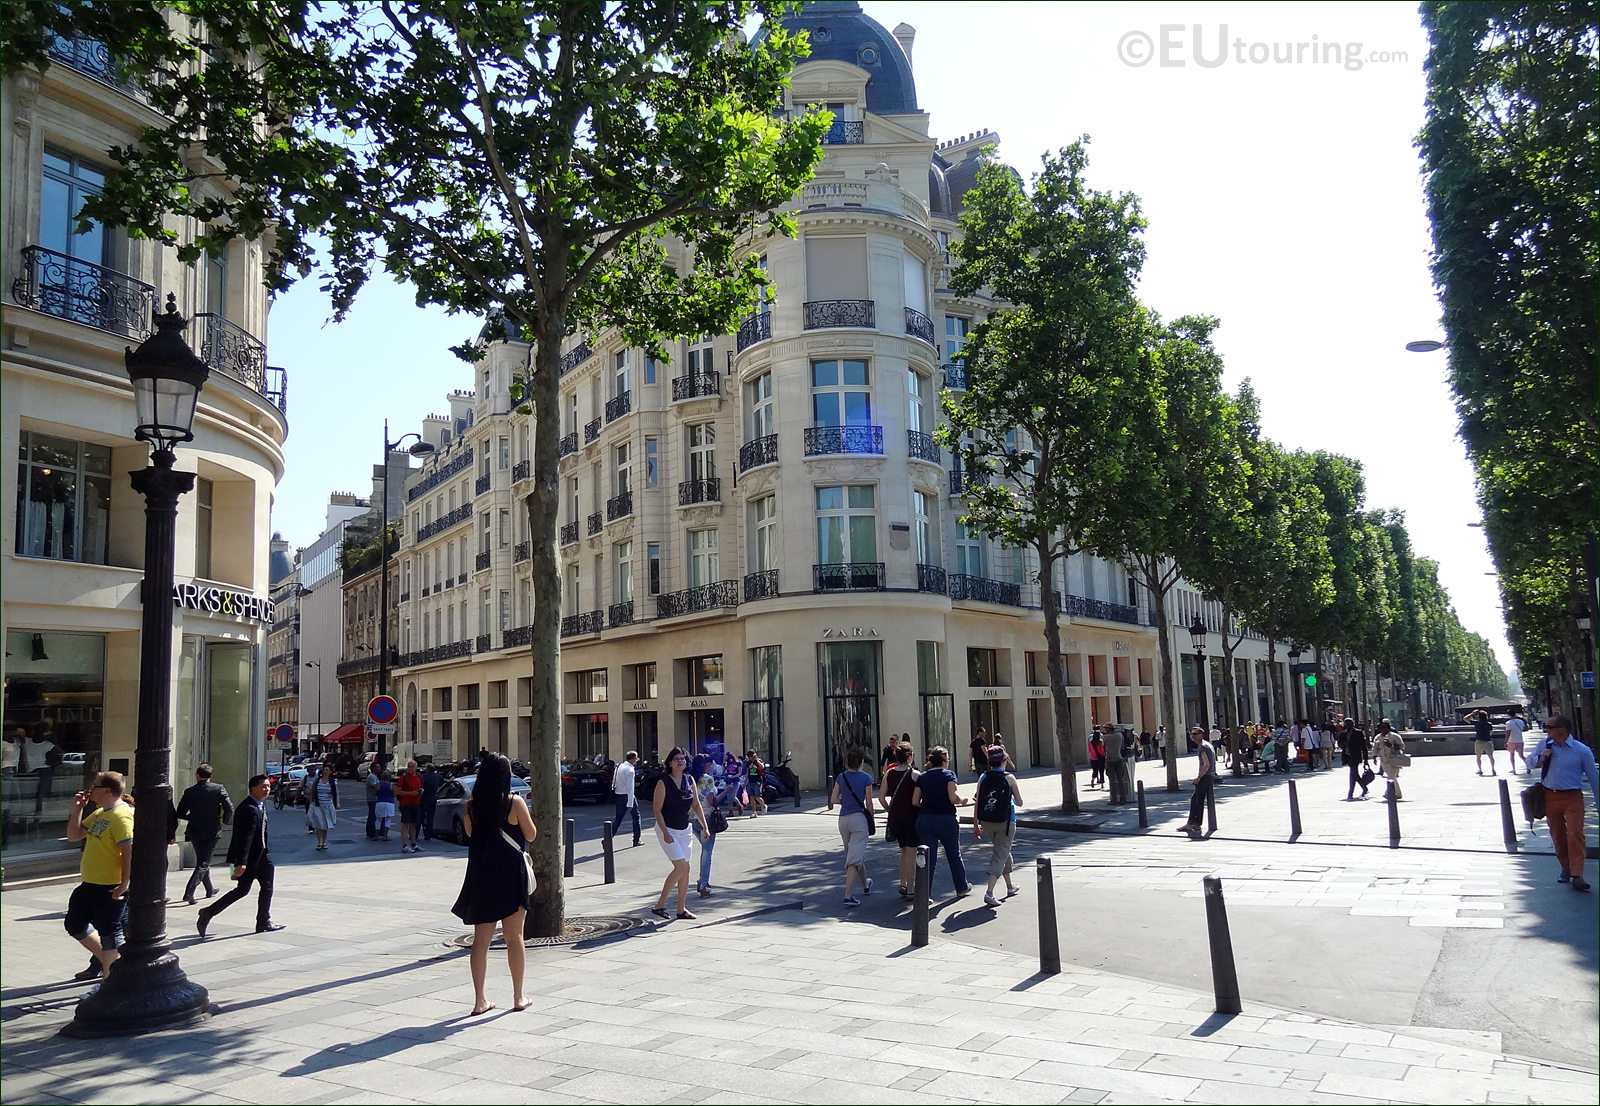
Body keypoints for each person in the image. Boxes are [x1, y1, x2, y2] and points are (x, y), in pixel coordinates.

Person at [449, 752, 536, 1014]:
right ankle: (518, 996)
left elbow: (471, 835)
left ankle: (479, 1000)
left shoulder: (471, 807)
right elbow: (531, 834)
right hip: (510, 874)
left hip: (483, 875)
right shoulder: (515, 803)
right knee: (514, 937)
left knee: (481, 941)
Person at [63, 771, 132, 980]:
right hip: (90, 883)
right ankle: (110, 966)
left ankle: (112, 981)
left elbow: (129, 850)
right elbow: (73, 836)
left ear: (108, 790)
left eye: (96, 786)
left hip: (108, 886)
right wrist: (78, 810)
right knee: (74, 923)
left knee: (110, 933)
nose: (91, 789)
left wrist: (124, 883)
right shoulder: (101, 812)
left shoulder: (121, 815)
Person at [198, 774, 285, 937]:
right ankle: (208, 913)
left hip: (262, 857)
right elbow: (245, 838)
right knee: (242, 891)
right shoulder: (249, 808)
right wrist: (241, 863)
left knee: (264, 888)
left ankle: (263, 921)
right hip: (251, 860)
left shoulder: (259, 805)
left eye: (268, 786)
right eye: (263, 786)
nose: (267, 789)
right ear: (253, 788)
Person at [1526, 716, 1599, 892]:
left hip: (1573, 797)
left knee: (1575, 833)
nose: (1546, 730)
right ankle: (1566, 867)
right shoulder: (1545, 745)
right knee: (1557, 835)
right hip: (1550, 796)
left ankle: (1577, 874)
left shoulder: (1582, 751)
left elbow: (1594, 778)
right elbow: (1529, 763)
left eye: (1549, 727)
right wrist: (1541, 758)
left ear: (1562, 729)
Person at [650, 747, 709, 921]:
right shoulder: (663, 782)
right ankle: (659, 905)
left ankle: (681, 909)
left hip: (685, 830)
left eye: (682, 758)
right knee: (681, 867)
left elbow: (696, 805)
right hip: (668, 829)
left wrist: (705, 826)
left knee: (686, 868)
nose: (680, 761)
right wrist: (665, 832)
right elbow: (656, 809)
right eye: (676, 759)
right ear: (670, 763)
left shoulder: (689, 780)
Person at [911, 746, 970, 897]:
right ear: (944, 761)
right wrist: (962, 800)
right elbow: (952, 797)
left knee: (927, 858)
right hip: (946, 819)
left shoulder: (923, 777)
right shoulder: (948, 775)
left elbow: (915, 801)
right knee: (953, 854)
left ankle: (924, 894)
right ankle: (961, 887)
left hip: (925, 819)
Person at [973, 745, 1023, 907]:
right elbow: (1020, 802)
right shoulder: (1009, 778)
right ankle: (989, 892)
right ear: (1004, 760)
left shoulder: (983, 777)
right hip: (1006, 822)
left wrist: (975, 824)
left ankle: (1010, 886)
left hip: (986, 821)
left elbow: (978, 801)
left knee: (1002, 851)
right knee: (1000, 854)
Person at [175, 763, 233, 902]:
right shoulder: (218, 789)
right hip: (212, 829)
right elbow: (230, 808)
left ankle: (209, 889)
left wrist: (193, 817)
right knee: (203, 862)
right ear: (209, 776)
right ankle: (189, 892)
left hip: (195, 830)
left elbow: (180, 812)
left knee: (202, 859)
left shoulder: (190, 791)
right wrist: (223, 820)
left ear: (197, 776)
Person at [829, 748, 876, 907]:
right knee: (853, 859)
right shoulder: (866, 778)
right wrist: (871, 819)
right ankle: (848, 895)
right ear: (861, 761)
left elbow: (834, 799)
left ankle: (865, 884)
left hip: (843, 819)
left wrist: (845, 801)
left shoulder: (841, 777)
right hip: (858, 819)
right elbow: (869, 802)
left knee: (854, 854)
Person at [879, 744, 920, 898]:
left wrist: (889, 810)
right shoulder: (915, 774)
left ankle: (902, 882)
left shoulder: (889, 773)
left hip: (895, 818)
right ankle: (911, 888)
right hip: (911, 817)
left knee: (903, 851)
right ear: (910, 756)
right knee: (911, 852)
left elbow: (881, 797)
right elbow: (918, 798)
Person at [1176, 727, 1216, 835]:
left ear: (1201, 734)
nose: (1193, 736)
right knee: (1196, 799)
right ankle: (1193, 823)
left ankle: (1194, 824)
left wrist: (1199, 777)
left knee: (1197, 800)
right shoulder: (1208, 745)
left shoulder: (1202, 747)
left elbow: (1206, 764)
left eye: (1195, 734)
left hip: (1205, 776)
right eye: (1192, 734)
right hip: (1210, 775)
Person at [693, 772, 719, 897]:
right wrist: (725, 792)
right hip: (706, 818)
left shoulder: (690, 778)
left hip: (691, 818)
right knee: (707, 851)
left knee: (704, 849)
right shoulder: (707, 779)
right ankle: (704, 884)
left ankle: (701, 881)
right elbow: (711, 801)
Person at [305, 762, 339, 851]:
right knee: (318, 824)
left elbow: (336, 793)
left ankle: (324, 842)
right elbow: (312, 791)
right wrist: (311, 802)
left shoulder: (332, 782)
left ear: (330, 771)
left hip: (328, 805)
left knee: (325, 825)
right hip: (317, 805)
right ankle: (319, 842)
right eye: (324, 770)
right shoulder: (317, 781)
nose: (325, 772)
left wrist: (337, 803)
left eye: (327, 770)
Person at [1372, 719, 1408, 800]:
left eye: (1384, 728)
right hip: (1384, 760)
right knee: (1391, 777)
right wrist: (1374, 756)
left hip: (1394, 759)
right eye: (1381, 728)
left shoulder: (1395, 736)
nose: (1383, 730)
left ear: (1388, 728)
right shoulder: (1377, 737)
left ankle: (1390, 793)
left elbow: (1402, 746)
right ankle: (1395, 793)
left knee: (1391, 777)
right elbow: (1375, 748)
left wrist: (1391, 745)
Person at [612, 751, 641, 847]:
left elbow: (614, 781)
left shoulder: (619, 766)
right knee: (636, 817)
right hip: (627, 795)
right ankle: (636, 840)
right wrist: (630, 803)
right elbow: (630, 788)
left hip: (619, 795)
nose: (637, 760)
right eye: (636, 758)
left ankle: (607, 838)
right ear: (632, 759)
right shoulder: (630, 770)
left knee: (618, 819)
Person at [396, 760, 424, 852]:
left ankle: (413, 844)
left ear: (416, 767)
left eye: (412, 767)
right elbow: (398, 791)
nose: (410, 769)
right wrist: (410, 793)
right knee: (405, 824)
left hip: (416, 803)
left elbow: (421, 787)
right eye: (409, 766)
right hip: (406, 804)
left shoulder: (419, 777)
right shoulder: (403, 778)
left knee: (413, 824)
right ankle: (404, 845)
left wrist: (420, 791)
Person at [1341, 720, 1371, 800]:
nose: (1347, 725)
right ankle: (1364, 787)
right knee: (1354, 774)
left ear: (1353, 724)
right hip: (1347, 755)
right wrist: (1343, 744)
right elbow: (1340, 744)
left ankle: (1350, 792)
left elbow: (1363, 746)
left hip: (1355, 755)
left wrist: (1366, 759)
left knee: (1353, 773)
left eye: (1349, 723)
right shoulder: (1343, 733)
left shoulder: (1358, 732)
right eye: (1346, 723)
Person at [419, 761, 442, 840]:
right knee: (430, 817)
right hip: (433, 798)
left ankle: (416, 834)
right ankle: (428, 835)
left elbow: (420, 786)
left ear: (428, 769)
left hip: (423, 798)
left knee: (420, 817)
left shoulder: (423, 776)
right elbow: (443, 783)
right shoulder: (438, 776)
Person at [1471, 710, 1497, 776]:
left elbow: (1465, 718)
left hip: (1479, 741)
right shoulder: (1489, 724)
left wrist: (1472, 713)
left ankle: (1480, 770)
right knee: (1491, 756)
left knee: (1478, 757)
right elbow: (1491, 732)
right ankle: (1493, 769)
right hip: (1488, 741)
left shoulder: (1477, 723)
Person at [373, 772, 397, 841]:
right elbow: (394, 795)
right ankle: (385, 836)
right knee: (388, 820)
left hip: (379, 803)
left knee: (378, 819)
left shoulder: (378, 785)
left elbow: (375, 793)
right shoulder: (392, 785)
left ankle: (376, 835)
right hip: (389, 803)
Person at [1504, 709, 1528, 774]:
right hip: (1520, 740)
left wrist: (1506, 742)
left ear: (1508, 715)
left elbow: (1508, 734)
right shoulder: (1520, 721)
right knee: (1521, 755)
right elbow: (1522, 729)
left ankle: (1514, 769)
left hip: (1512, 741)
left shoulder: (1508, 723)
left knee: (1512, 755)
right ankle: (1528, 766)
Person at [745, 751, 768, 817]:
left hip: (757, 781)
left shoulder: (758, 761)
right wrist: (745, 782)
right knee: (751, 797)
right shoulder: (748, 763)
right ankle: (754, 812)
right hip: (750, 781)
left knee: (757, 797)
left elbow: (762, 767)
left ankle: (763, 806)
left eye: (750, 757)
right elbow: (747, 772)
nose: (749, 758)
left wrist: (756, 760)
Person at [365, 760, 381, 840]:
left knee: (373, 816)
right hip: (372, 799)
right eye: (378, 767)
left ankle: (372, 831)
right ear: (373, 768)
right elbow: (376, 787)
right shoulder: (371, 777)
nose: (379, 768)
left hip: (375, 799)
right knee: (372, 816)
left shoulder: (375, 777)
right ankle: (371, 832)